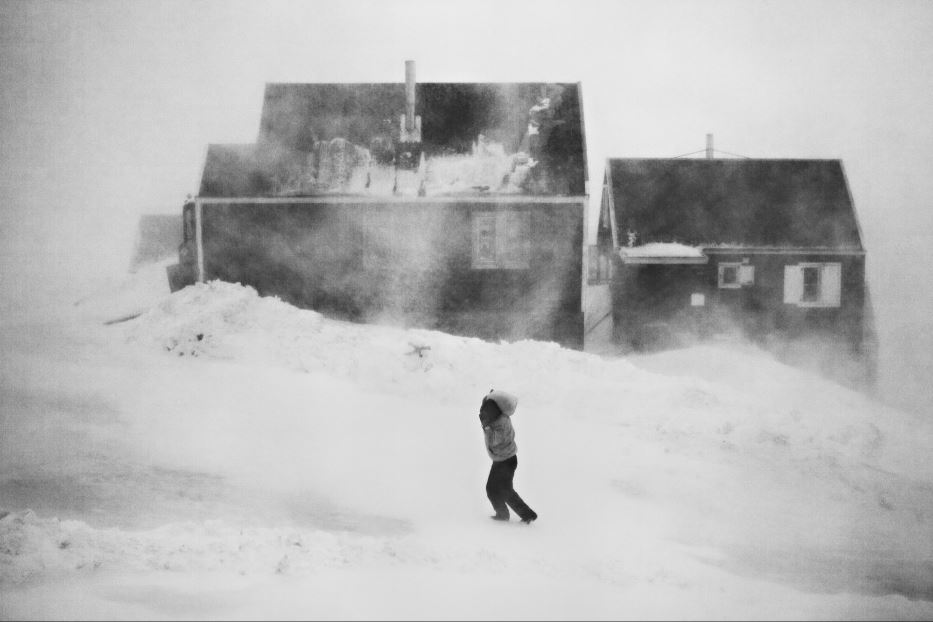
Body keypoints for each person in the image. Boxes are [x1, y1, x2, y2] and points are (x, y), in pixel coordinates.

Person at [479, 389, 538, 524]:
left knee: (500, 490)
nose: (483, 415)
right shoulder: (499, 418)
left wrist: (487, 428)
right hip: (503, 459)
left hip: (505, 461)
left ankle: (517, 515)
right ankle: (508, 514)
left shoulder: (500, 424)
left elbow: (495, 441)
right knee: (498, 489)